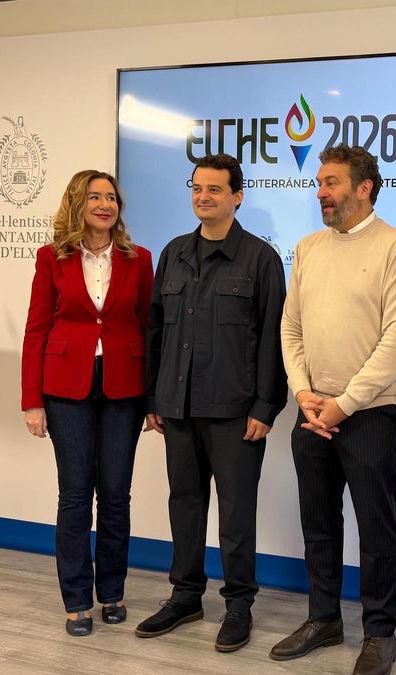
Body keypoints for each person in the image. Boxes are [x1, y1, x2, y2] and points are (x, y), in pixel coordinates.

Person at [273, 145, 396, 675]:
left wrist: (344, 404)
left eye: (331, 182)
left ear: (364, 188)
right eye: (318, 183)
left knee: (375, 527)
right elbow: (291, 326)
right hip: (312, 410)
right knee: (318, 521)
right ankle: (323, 618)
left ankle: (380, 634)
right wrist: (302, 391)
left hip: (370, 413)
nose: (321, 192)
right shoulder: (309, 248)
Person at [134, 154, 287, 653]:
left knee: (237, 511)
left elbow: (273, 339)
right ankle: (186, 595)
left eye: (215, 190)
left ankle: (239, 604)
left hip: (236, 411)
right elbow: (155, 329)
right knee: (185, 503)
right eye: (197, 188)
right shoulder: (174, 253)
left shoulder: (261, 259)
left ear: (237, 196)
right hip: (177, 406)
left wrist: (266, 406)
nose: (204, 196)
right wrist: (152, 396)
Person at [21, 169, 153, 637]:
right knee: (75, 496)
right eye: (95, 197)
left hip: (124, 387)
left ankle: (112, 592)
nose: (105, 204)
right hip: (65, 390)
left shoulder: (139, 260)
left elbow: (147, 328)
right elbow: (36, 329)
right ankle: (76, 598)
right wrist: (31, 402)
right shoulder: (50, 259)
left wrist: (154, 398)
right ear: (77, 204)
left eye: (112, 197)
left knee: (116, 495)